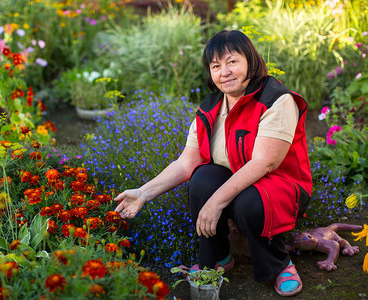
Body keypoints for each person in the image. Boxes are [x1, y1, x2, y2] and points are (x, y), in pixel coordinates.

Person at [114, 30, 312, 297]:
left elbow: (265, 163)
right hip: (239, 182)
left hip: (282, 186)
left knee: (249, 202)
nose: (224, 72)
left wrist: (217, 202)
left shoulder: (276, 100)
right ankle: (218, 257)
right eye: (216, 66)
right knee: (202, 178)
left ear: (250, 61)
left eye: (232, 62)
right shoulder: (210, 109)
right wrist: (142, 193)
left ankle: (279, 264)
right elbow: (185, 164)